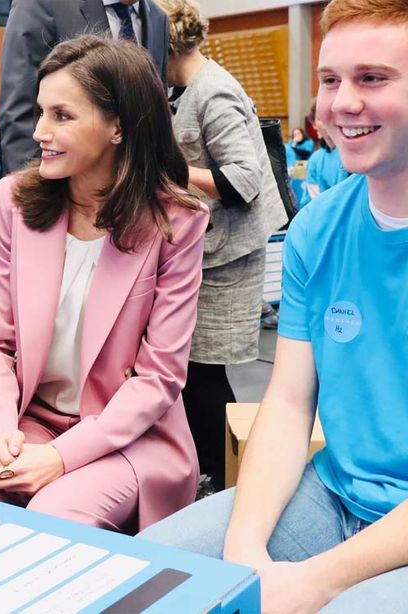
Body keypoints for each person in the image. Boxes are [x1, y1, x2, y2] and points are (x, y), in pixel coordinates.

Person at [140, 1, 408, 610]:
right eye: (331, 79)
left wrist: (322, 579)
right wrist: (244, 550)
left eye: (373, 78)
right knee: (150, 573)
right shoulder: (317, 231)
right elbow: (288, 402)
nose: (342, 103)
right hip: (335, 495)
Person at [0, 36, 206, 531]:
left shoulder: (177, 220)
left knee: (54, 516)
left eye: (62, 116)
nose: (39, 130)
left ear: (117, 127)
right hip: (29, 423)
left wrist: (62, 457)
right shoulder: (14, 203)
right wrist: (1, 431)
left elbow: (159, 379)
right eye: (41, 111)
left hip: (130, 437)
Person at [162, 0, 287, 493]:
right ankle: (214, 466)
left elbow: (244, 180)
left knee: (204, 371)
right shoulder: (184, 88)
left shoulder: (213, 93)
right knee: (192, 371)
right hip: (208, 247)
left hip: (231, 253)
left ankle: (227, 475)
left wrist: (171, 173)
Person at [0, 0, 169, 173]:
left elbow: (155, 113)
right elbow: (19, 109)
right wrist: (27, 187)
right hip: (60, 185)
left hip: (133, 186)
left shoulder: (158, 18)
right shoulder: (42, 4)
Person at [302, 100, 350, 206]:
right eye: (321, 118)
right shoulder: (315, 159)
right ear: (314, 124)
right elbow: (312, 199)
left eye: (331, 116)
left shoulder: (352, 152)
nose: (327, 122)